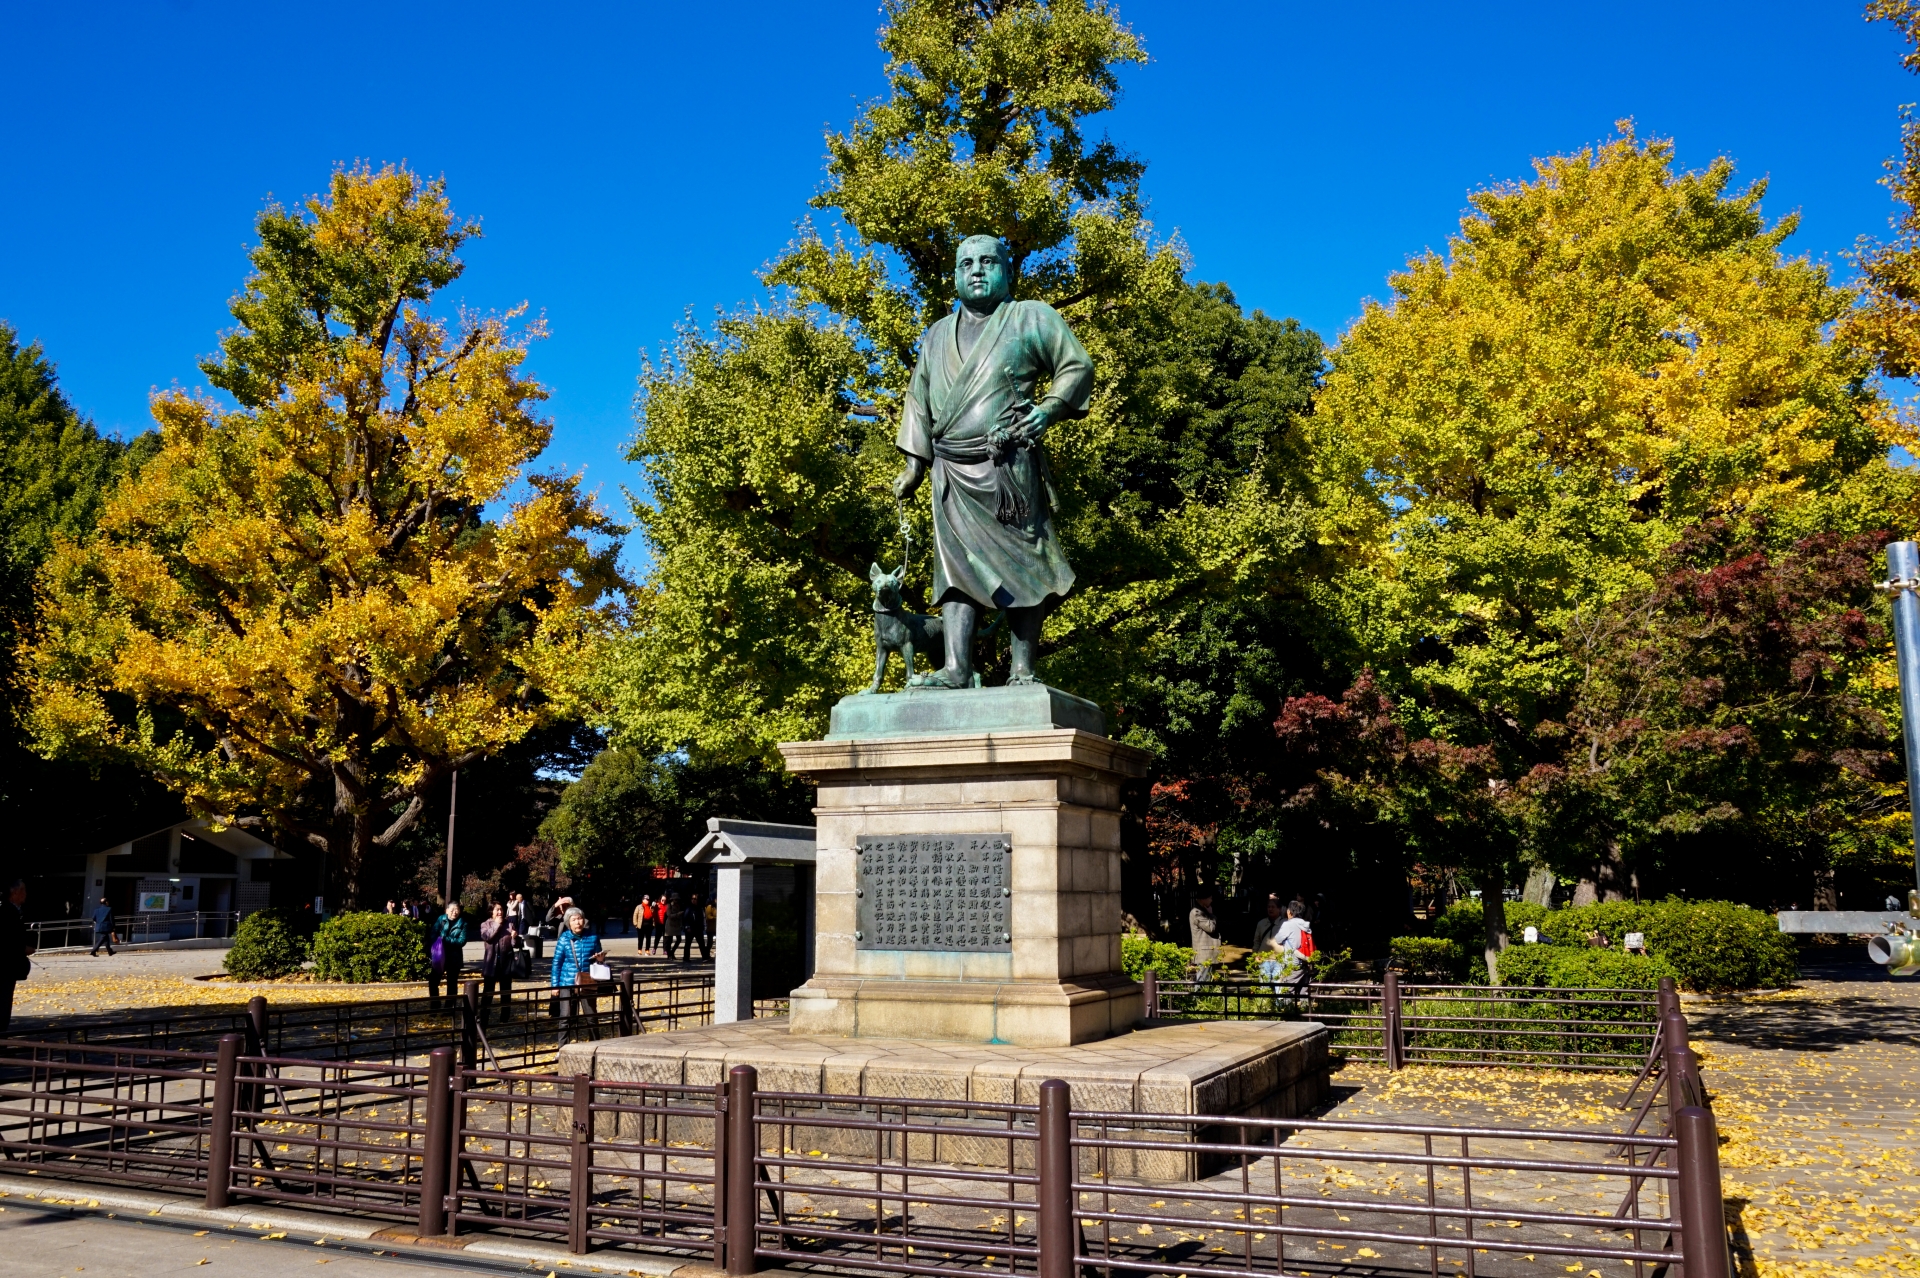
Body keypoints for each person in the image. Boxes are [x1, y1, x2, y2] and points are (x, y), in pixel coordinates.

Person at [889, 234, 1095, 688]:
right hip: (950, 468)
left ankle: (1023, 669)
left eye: (987, 261)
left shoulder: (1030, 317)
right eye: (966, 264)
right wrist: (913, 465)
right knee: (953, 565)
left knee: (1024, 562)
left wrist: (1049, 409)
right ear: (956, 275)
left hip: (1008, 465)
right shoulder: (938, 333)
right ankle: (956, 668)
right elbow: (917, 398)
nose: (977, 270)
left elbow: (1077, 366)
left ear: (1008, 270)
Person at [549, 906, 606, 1047]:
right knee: (565, 1017)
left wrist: (600, 959)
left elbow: (600, 960)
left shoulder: (592, 937)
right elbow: (557, 963)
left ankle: (595, 1045)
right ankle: (562, 1048)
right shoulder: (564, 939)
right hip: (567, 982)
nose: (578, 922)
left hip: (587, 981)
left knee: (591, 1016)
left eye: (580, 918)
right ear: (569, 923)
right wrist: (555, 985)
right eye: (574, 920)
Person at [479, 902, 518, 1022]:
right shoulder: (485, 924)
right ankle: (484, 1016)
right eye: (497, 910)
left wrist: (514, 938)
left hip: (505, 964)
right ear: (492, 911)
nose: (500, 912)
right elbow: (487, 937)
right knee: (488, 992)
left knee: (506, 992)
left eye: (501, 909)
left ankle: (504, 1017)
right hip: (491, 963)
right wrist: (496, 924)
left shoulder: (509, 924)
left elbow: (514, 945)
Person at [0, 880, 29, 1033]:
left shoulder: (13, 910)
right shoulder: (7, 911)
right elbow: (8, 939)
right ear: (15, 892)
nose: (25, 894)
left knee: (5, 1001)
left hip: (8, 966)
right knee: (3, 1002)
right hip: (5, 966)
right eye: (23, 890)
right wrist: (23, 949)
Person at [428, 902, 468, 1008]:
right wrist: (436, 942)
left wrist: (445, 939)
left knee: (452, 984)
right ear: (447, 910)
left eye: (457, 910)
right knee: (433, 981)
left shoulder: (462, 923)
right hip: (439, 955)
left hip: (454, 957)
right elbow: (433, 933)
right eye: (452, 909)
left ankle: (449, 1008)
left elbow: (461, 941)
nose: (454, 912)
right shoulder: (441, 919)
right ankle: (435, 1005)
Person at [1188, 887, 1220, 982]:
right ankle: (1197, 997)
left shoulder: (1202, 911)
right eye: (1209, 898)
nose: (1211, 900)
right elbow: (1210, 928)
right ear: (1203, 899)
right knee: (1202, 981)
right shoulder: (1196, 912)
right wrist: (1211, 915)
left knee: (1208, 981)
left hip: (1208, 952)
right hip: (1204, 953)